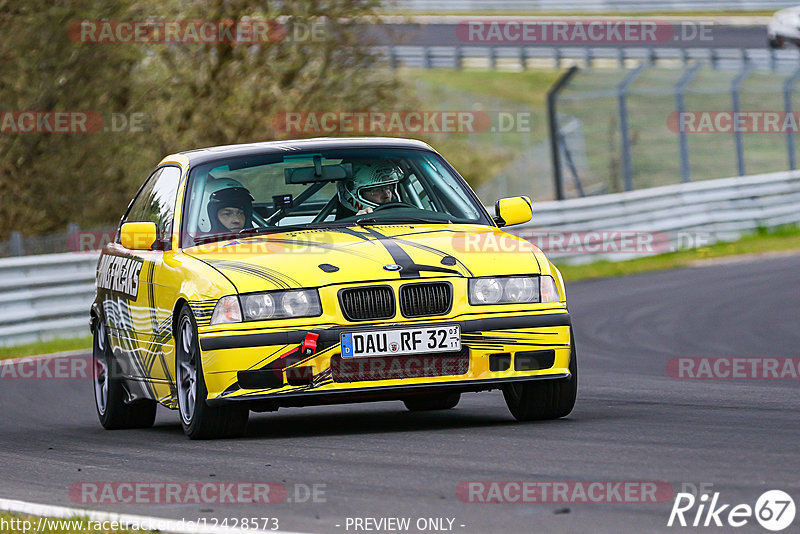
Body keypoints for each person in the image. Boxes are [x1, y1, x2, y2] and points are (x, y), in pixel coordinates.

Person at [337, 162, 402, 216]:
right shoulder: (339, 229)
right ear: (353, 193)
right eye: (376, 190)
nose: (386, 195)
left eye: (387, 187)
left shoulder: (405, 215)